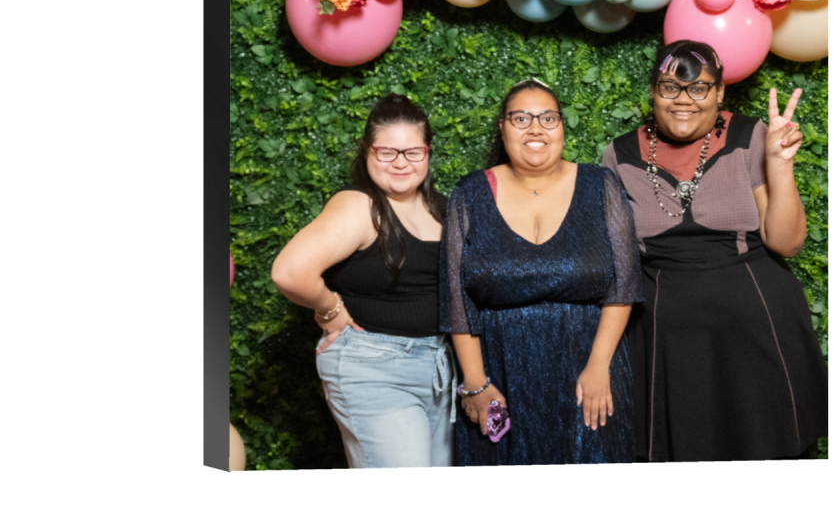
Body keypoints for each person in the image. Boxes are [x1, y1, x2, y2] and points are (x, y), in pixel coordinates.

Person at [602, 40, 828, 461]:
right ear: (653, 91)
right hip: (668, 341)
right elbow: (616, 265)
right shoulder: (619, 155)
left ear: (720, 92)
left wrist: (780, 165)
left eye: (699, 88)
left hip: (755, 327)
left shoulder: (749, 136)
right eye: (670, 87)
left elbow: (787, 243)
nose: (683, 100)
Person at [439, 79, 644, 466]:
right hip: (499, 372)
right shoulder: (469, 194)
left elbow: (623, 284)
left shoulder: (600, 185)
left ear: (561, 127)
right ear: (502, 127)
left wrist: (599, 366)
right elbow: (455, 296)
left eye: (548, 118)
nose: (536, 128)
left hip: (589, 368)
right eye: (521, 118)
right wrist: (475, 382)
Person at [271, 94, 455, 468]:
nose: (400, 163)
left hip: (439, 369)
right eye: (387, 152)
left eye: (413, 152)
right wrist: (331, 309)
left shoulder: (442, 207)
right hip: (374, 368)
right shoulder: (359, 206)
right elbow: (289, 272)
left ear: (428, 152)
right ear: (367, 151)